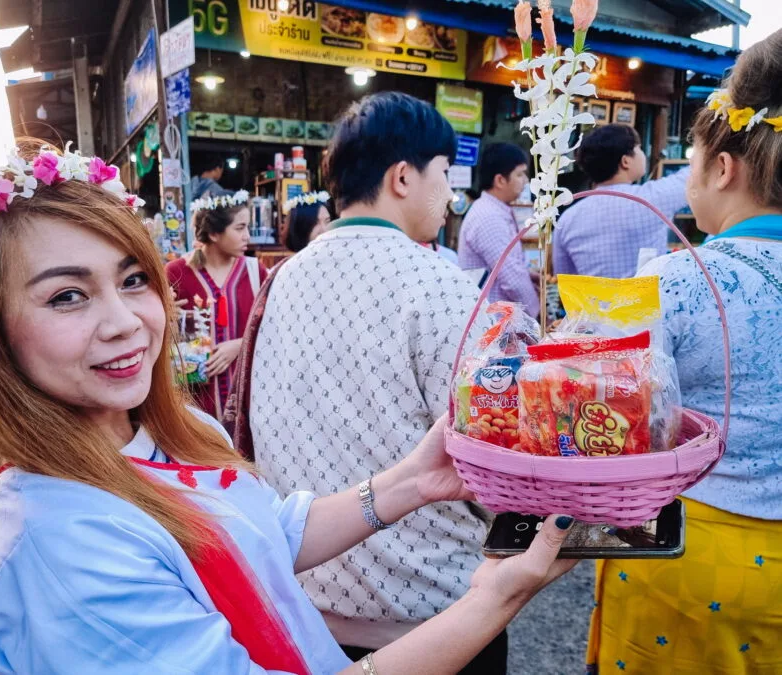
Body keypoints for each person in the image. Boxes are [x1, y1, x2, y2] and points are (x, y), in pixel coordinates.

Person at [0, 141, 580, 674]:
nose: (125, 320)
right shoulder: (62, 545)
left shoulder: (166, 430)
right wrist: (496, 597)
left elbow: (259, 534)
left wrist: (409, 483)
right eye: (68, 295)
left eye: (132, 279)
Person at [248, 92, 511, 672]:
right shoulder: (440, 286)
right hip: (435, 619)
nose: (450, 194)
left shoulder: (279, 281)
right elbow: (494, 442)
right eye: (443, 173)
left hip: (305, 605)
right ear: (401, 177)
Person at [587, 31, 782, 674]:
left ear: (724, 168)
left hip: (689, 566)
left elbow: (607, 426)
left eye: (689, 159)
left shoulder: (675, 281)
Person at [165, 192, 267, 418]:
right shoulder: (176, 273)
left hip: (247, 400)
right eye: (240, 228)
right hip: (193, 404)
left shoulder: (255, 272)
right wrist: (163, 314)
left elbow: (273, 327)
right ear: (213, 233)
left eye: (247, 228)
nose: (247, 236)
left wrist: (240, 345)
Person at [554, 124, 691, 279]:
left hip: (591, 303)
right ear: (625, 161)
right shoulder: (651, 199)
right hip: (648, 302)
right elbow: (692, 176)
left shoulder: (567, 220)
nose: (643, 154)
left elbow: (565, 281)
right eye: (639, 148)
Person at [458, 143, 538, 318]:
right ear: (500, 180)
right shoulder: (489, 216)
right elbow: (512, 278)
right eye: (520, 174)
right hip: (494, 326)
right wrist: (538, 314)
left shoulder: (494, 210)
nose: (525, 181)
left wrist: (527, 276)